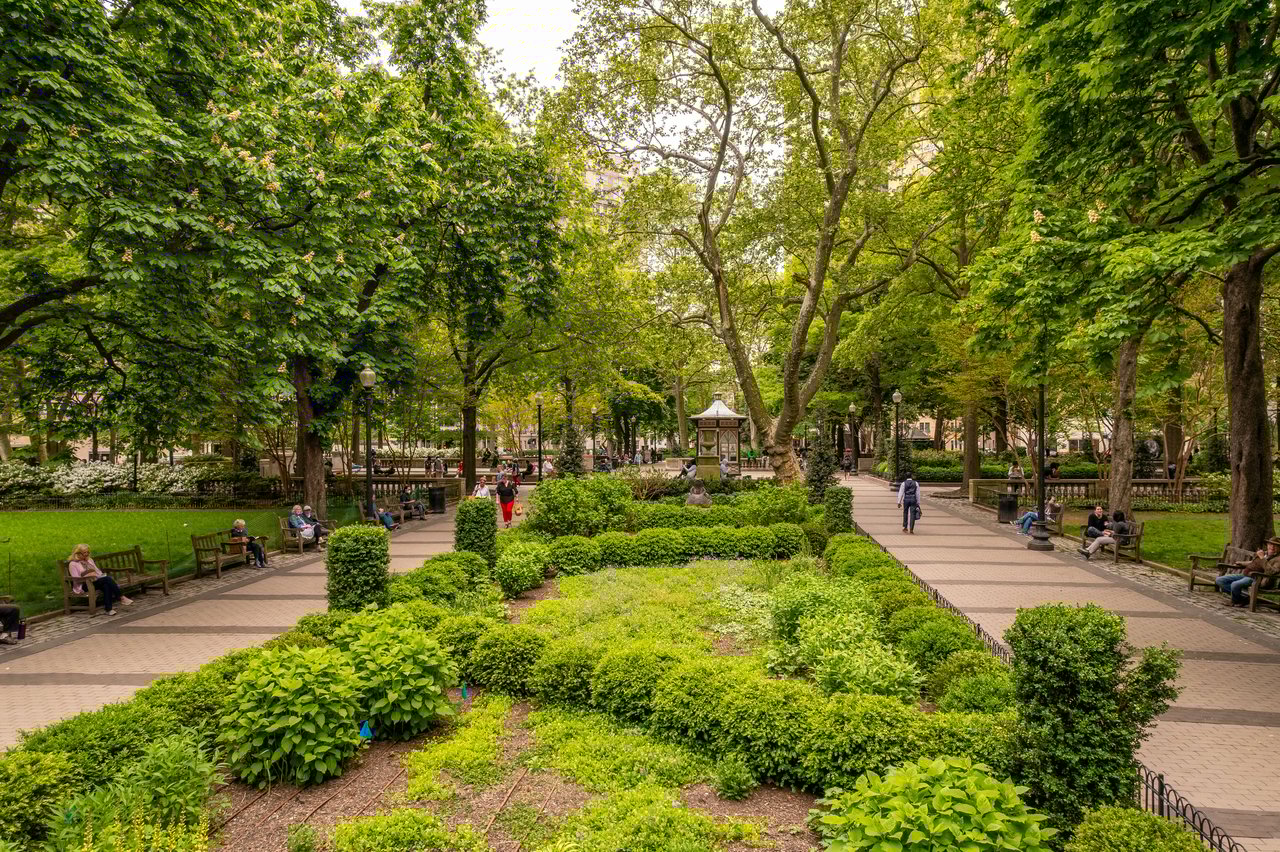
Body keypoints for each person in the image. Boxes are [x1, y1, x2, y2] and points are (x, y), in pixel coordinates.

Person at [67, 544, 132, 616]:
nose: (86, 554)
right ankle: (121, 597)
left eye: (88, 552)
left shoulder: (89, 560)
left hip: (94, 581)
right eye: (84, 553)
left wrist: (98, 575)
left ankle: (109, 609)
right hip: (83, 585)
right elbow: (76, 580)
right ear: (78, 553)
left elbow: (98, 572)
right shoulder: (73, 564)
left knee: (106, 584)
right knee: (107, 580)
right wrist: (87, 576)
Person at [1216, 537, 1280, 607]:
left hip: (1257, 578)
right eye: (1270, 544)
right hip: (1245, 575)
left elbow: (1271, 571)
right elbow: (1253, 563)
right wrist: (1242, 563)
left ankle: (1235, 601)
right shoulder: (1264, 553)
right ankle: (1243, 598)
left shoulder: (1278, 559)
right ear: (1267, 545)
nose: (1272, 547)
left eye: (1275, 545)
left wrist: (1262, 558)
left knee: (1235, 585)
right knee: (1220, 580)